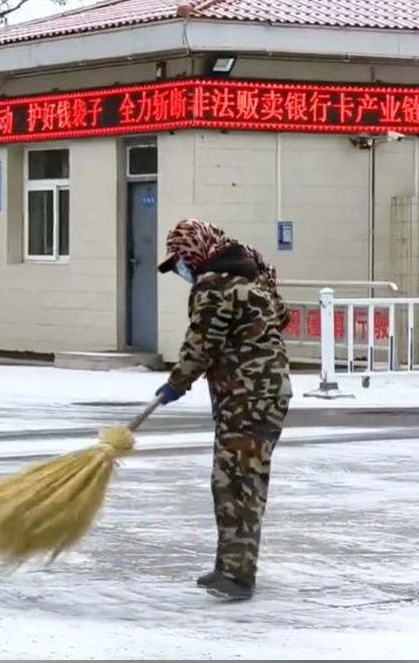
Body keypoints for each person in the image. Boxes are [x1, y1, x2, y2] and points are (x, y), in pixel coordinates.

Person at [154, 218, 292, 602]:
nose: (182, 269)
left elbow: (203, 341)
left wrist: (178, 381)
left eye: (181, 260)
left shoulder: (214, 284)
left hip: (246, 396)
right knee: (239, 480)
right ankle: (229, 566)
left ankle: (237, 576)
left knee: (236, 483)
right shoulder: (251, 276)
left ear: (196, 251)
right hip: (267, 393)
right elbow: (281, 317)